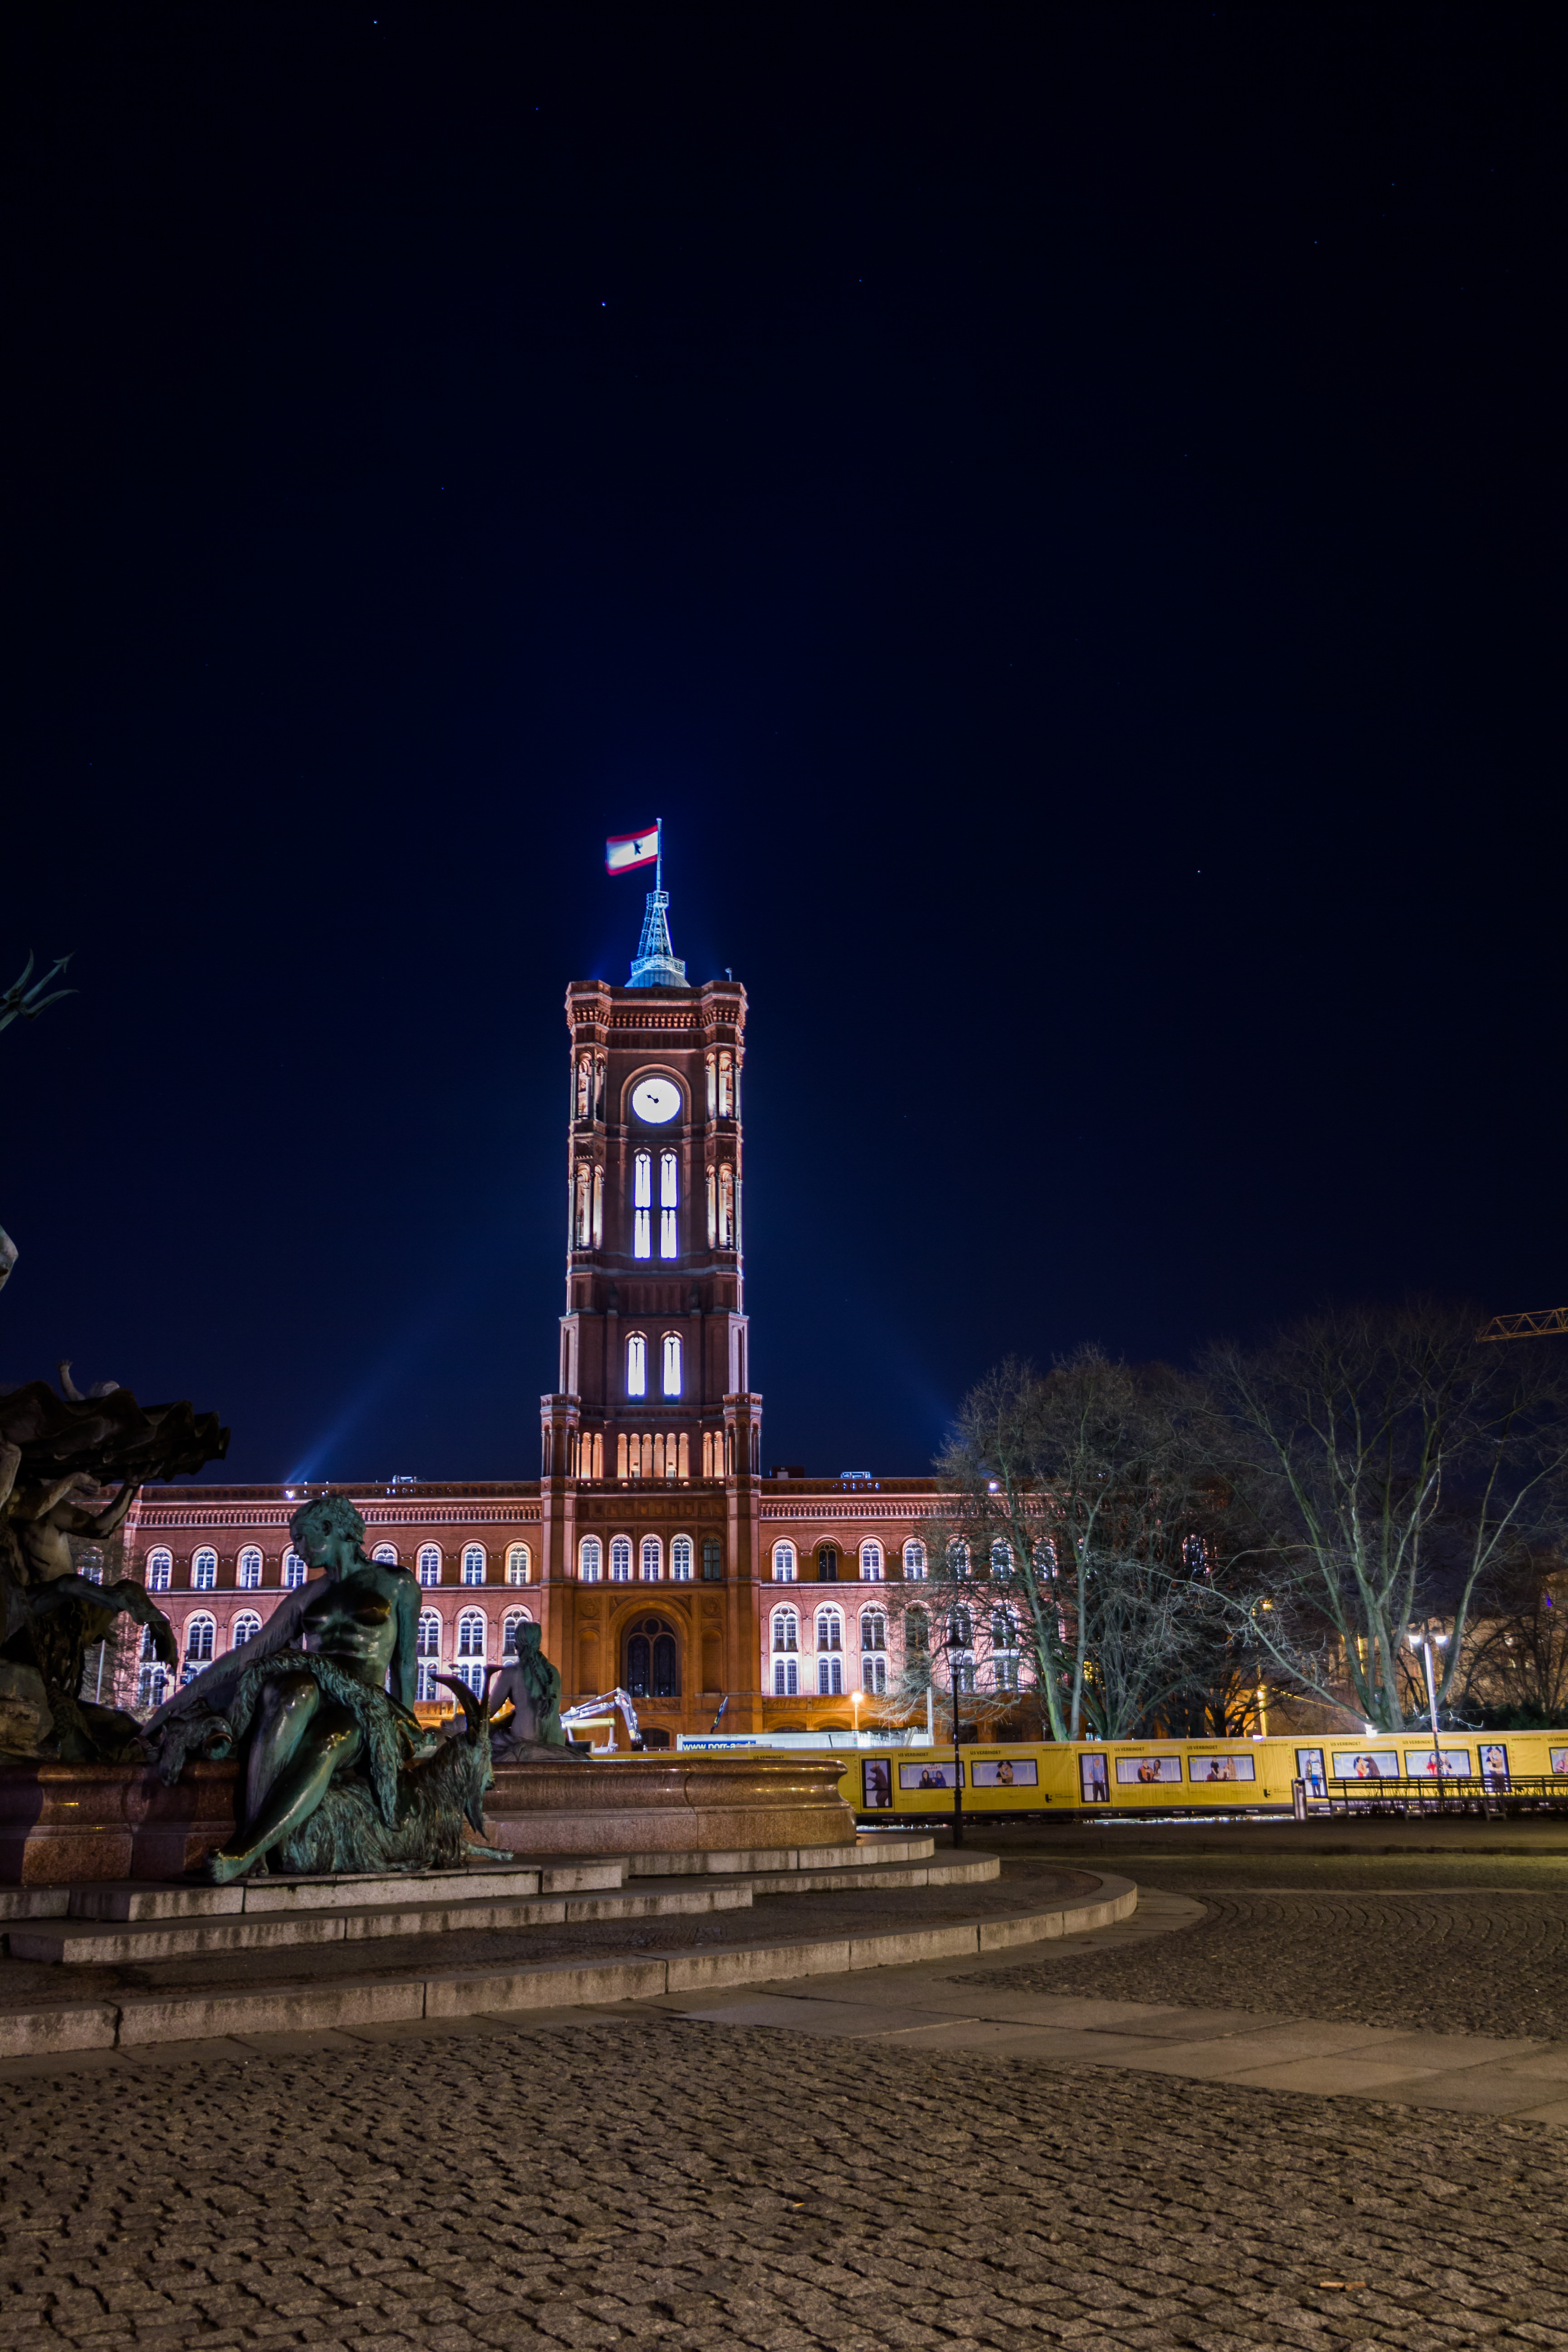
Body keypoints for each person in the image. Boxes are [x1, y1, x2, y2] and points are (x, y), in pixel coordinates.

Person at [152, 1493, 424, 1884]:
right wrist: (176, 1703)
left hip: (361, 1704)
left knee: (329, 1738)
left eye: (300, 1537)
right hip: (316, 1690)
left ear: (328, 1529)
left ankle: (246, 1850)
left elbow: (406, 1662)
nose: (295, 1549)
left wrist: (407, 1724)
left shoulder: (397, 1583)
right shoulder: (306, 1597)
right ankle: (255, 1841)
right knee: (293, 1689)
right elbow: (250, 1653)